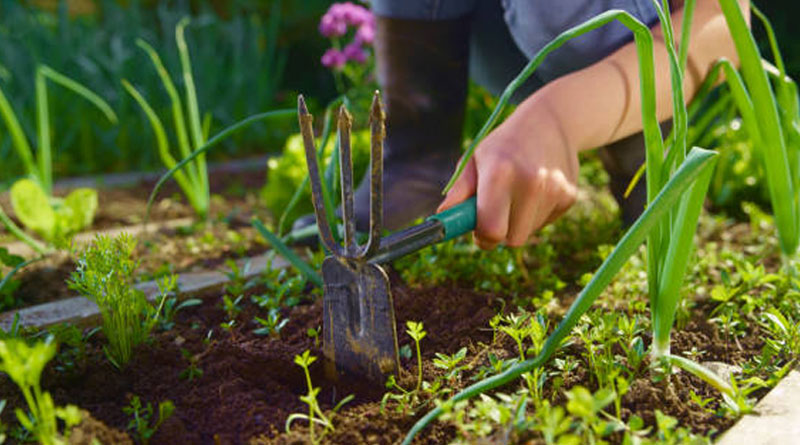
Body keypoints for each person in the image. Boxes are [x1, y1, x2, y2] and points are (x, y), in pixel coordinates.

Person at [299, 0, 747, 250]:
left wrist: (560, 118)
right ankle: (416, 161)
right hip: (493, 37)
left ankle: (644, 158)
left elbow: (725, 21)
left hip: (631, 53)